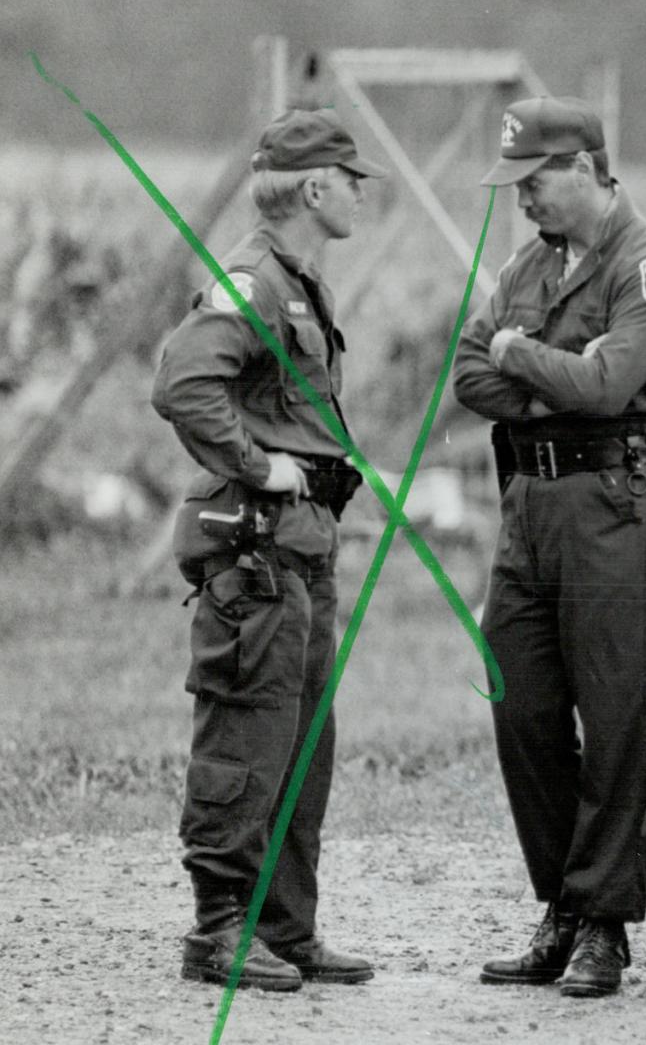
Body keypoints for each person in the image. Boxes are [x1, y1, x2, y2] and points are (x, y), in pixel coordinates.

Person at [452, 96, 646, 1000]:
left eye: (535, 179)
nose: (522, 199)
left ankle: (601, 924)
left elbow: (609, 383)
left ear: (588, 168)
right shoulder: (529, 264)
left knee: (621, 722)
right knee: (522, 705)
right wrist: (534, 371)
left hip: (617, 507)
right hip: (531, 507)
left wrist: (526, 356)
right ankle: (559, 901)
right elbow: (472, 369)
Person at [152, 108, 384, 992]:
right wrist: (259, 466)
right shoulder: (250, 281)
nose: (361, 192)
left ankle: (284, 929)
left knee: (301, 742)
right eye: (351, 177)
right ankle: (218, 932)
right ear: (314, 187)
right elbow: (181, 382)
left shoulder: (299, 281)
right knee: (247, 733)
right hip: (254, 552)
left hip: (302, 552)